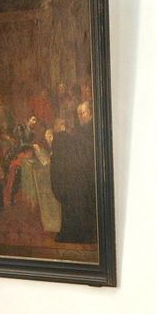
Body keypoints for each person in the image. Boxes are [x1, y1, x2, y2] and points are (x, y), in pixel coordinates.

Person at [51, 101, 98, 244]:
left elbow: (86, 153)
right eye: (79, 114)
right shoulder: (80, 131)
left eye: (83, 113)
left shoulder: (91, 129)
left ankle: (82, 234)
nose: (80, 116)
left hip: (86, 176)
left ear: (91, 113)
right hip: (79, 176)